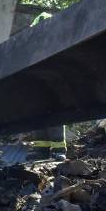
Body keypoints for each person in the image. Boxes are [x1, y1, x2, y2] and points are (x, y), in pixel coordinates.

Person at [24, 12, 67, 160]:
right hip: (37, 85)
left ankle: (58, 149)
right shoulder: (31, 46)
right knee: (38, 117)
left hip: (54, 85)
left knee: (55, 117)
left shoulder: (59, 42)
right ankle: (41, 149)